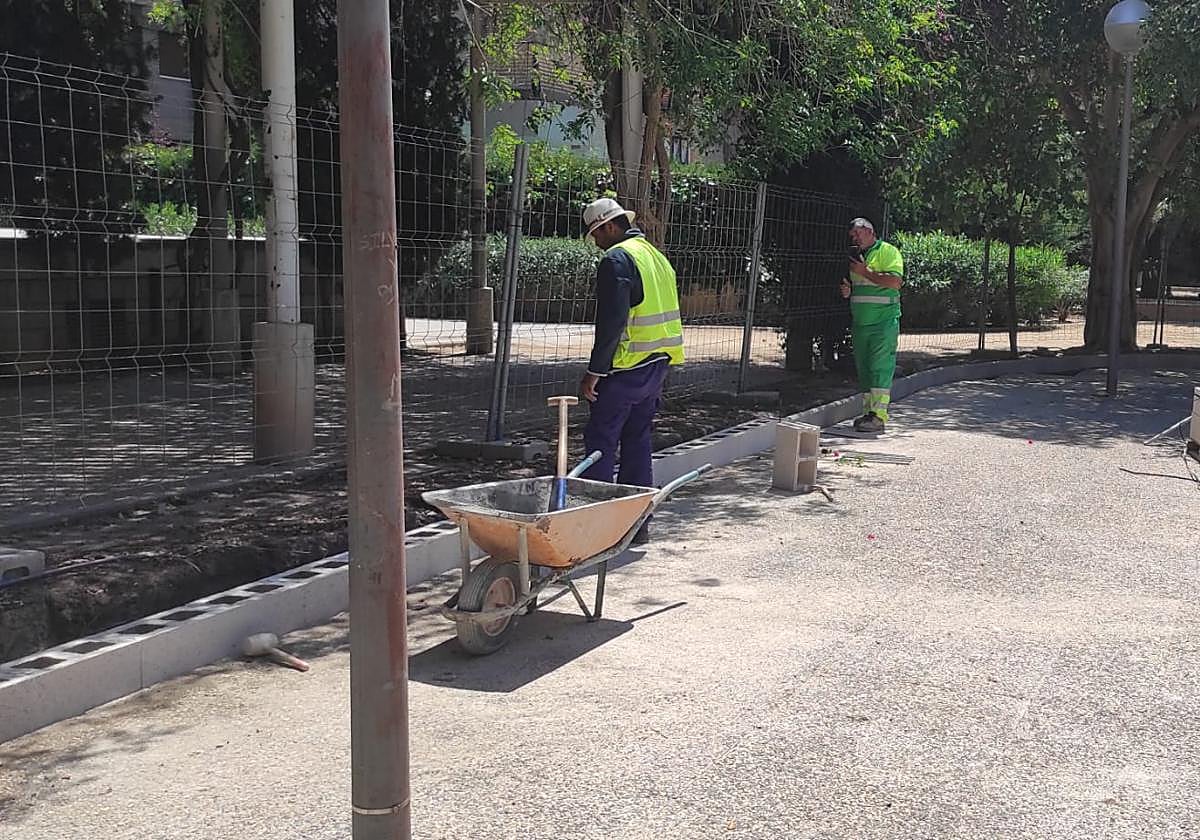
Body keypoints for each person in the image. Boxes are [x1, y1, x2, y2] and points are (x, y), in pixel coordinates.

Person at [578, 197, 685, 543]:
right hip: (657, 366)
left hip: (625, 368)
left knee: (601, 442)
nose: (596, 242)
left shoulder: (617, 259)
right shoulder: (656, 256)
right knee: (638, 441)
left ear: (609, 227)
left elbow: (612, 322)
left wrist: (595, 371)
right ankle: (637, 526)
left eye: (596, 234)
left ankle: (598, 530)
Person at [839, 217, 904, 433]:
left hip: (883, 323)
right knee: (865, 370)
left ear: (870, 231)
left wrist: (865, 272)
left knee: (879, 368)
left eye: (858, 233)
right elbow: (861, 287)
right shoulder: (857, 258)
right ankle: (869, 413)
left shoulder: (888, 252)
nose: (855, 238)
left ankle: (878, 416)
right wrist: (849, 291)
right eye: (852, 236)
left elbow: (895, 282)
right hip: (861, 324)